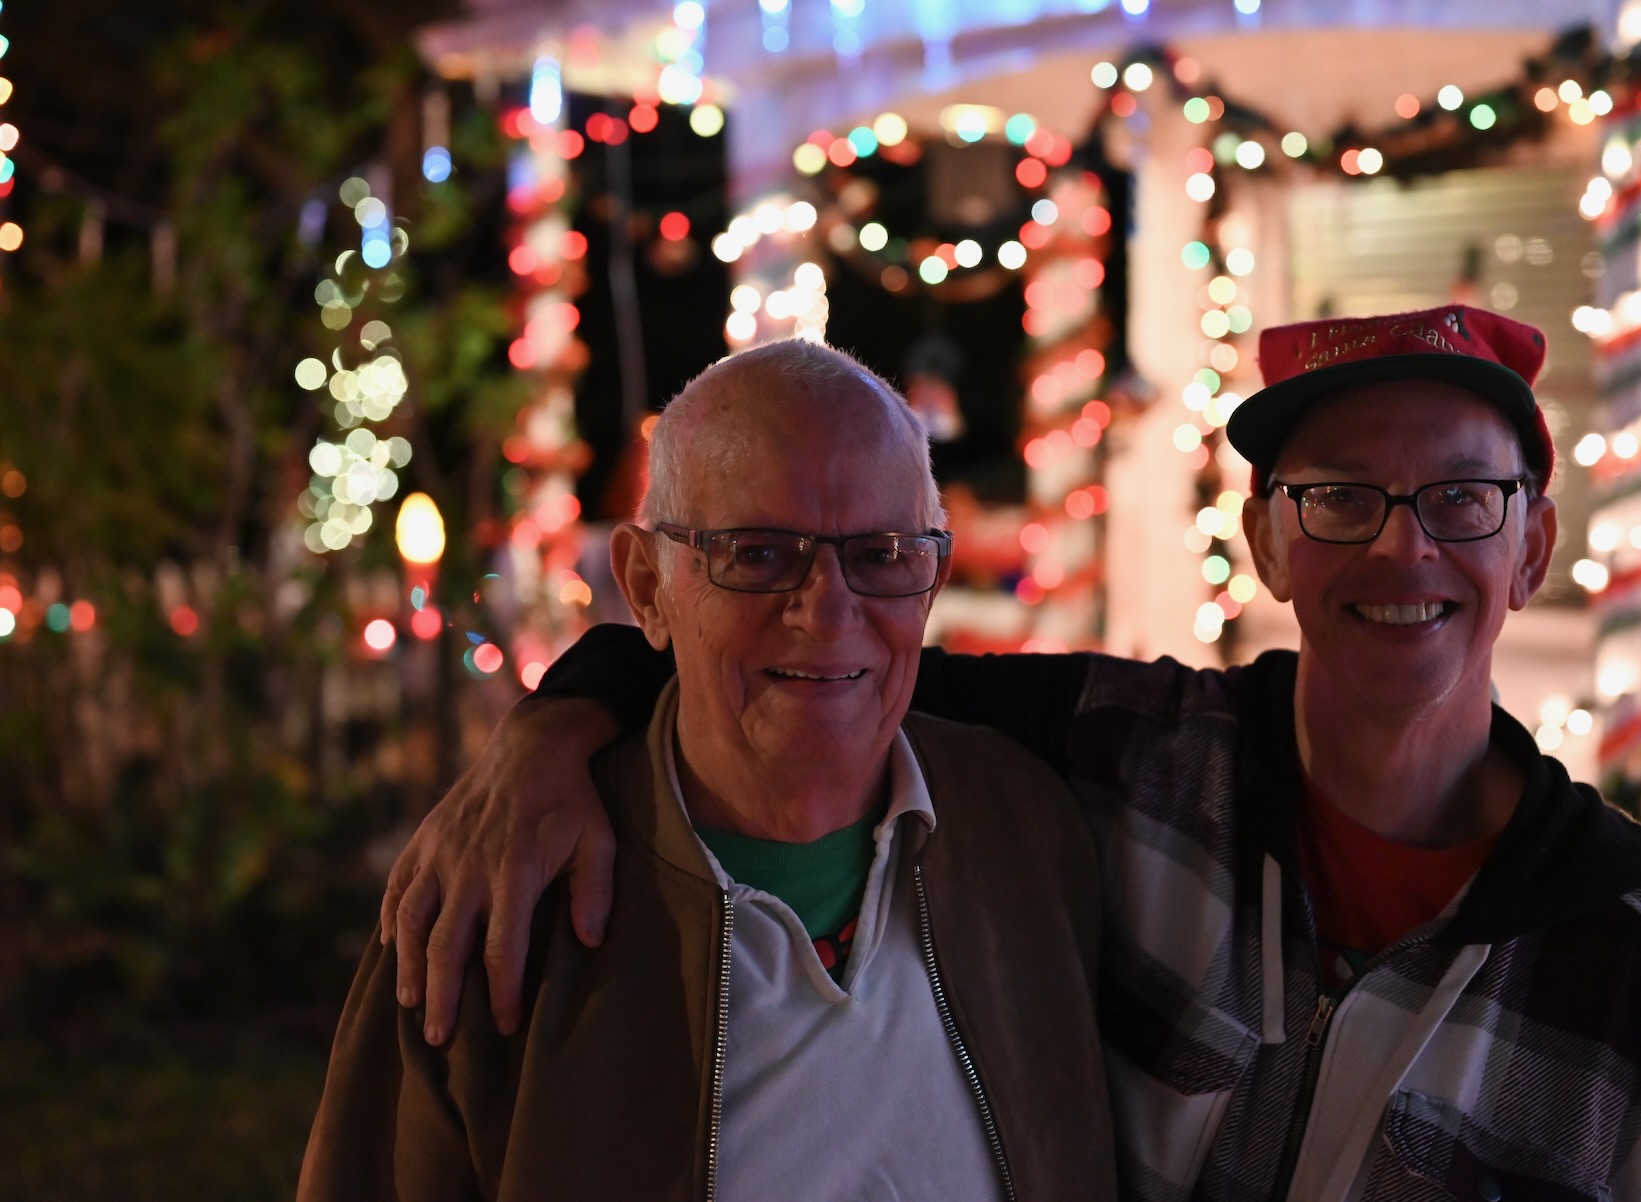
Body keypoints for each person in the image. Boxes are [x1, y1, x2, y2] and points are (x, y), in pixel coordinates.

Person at [384, 305, 1641, 1201]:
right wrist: (562, 723)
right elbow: (819, 656)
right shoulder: (1129, 768)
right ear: (1270, 539)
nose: (1403, 545)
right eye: (1340, 496)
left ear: (1534, 544)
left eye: (1463, 497)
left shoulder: (1636, 976)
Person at [299, 340, 1116, 1200]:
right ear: (646, 587)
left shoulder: (1029, 834)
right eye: (758, 554)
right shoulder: (496, 903)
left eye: (881, 555)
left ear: (933, 574)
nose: (829, 612)